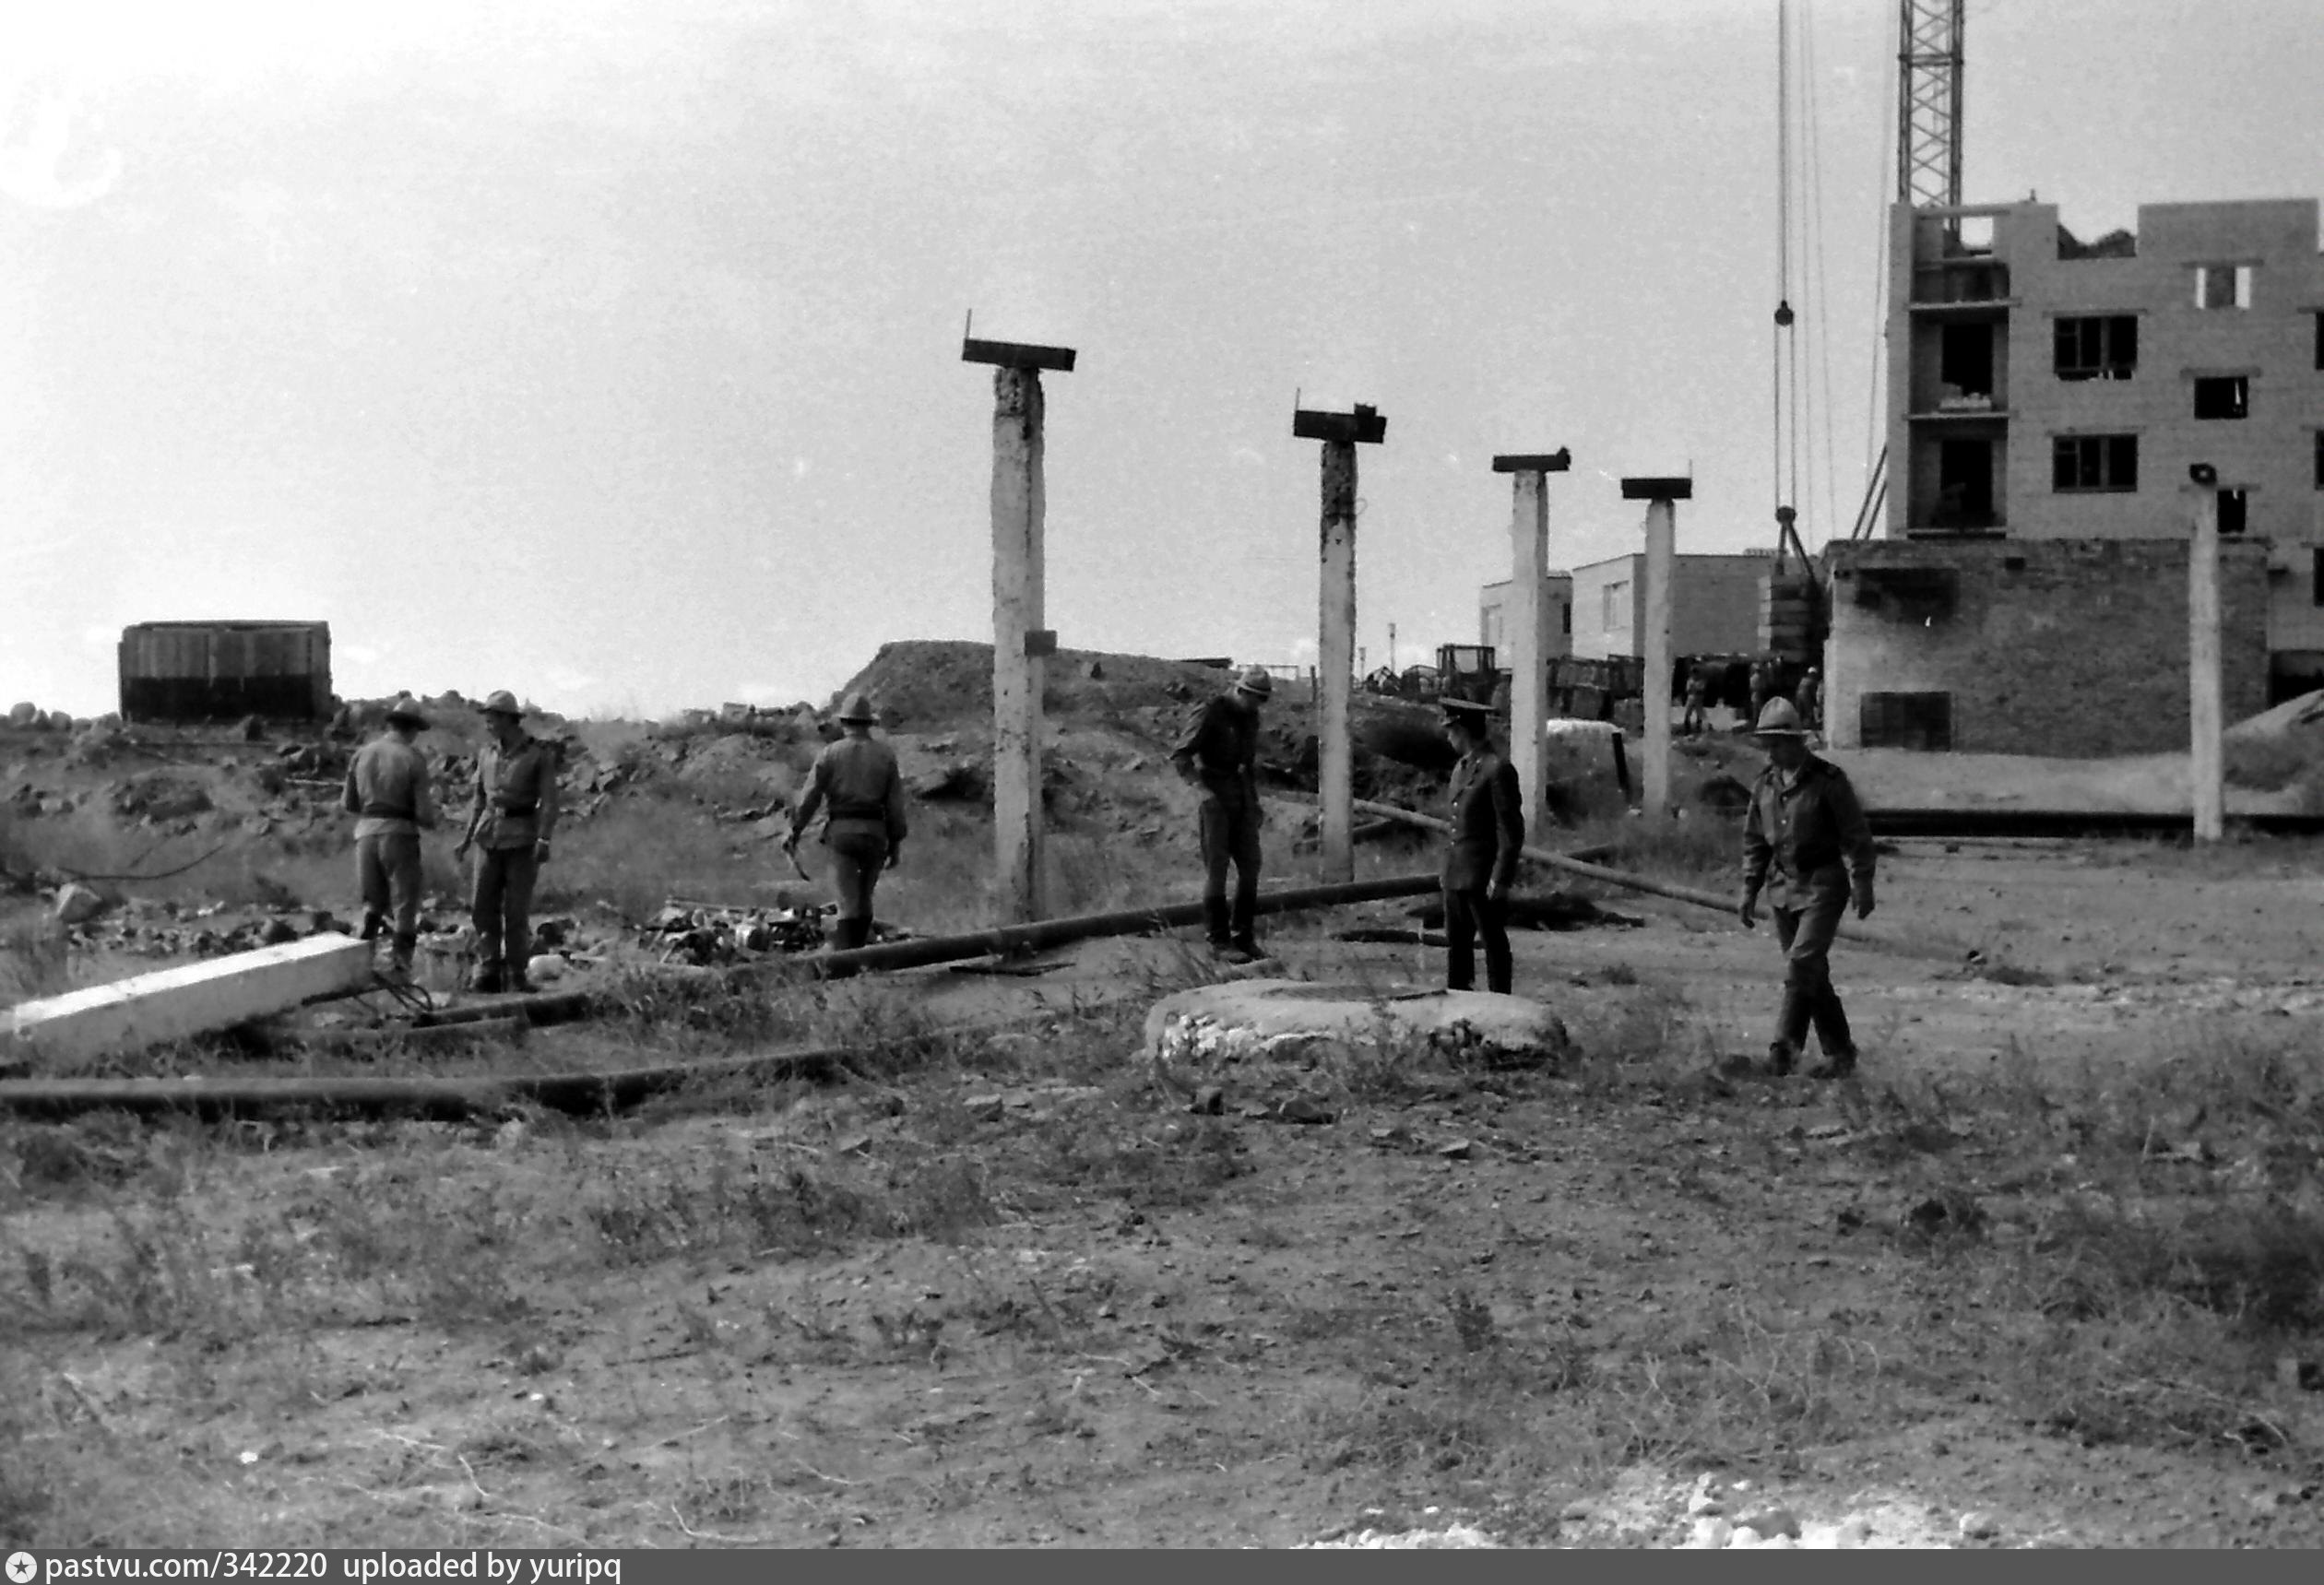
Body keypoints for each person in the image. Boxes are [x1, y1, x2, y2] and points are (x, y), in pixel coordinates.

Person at [1738, 697, 1876, 1078]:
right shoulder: (1764, 785)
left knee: (1801, 964)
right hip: (1782, 887)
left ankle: (1783, 1051)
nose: (1771, 752)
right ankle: (1841, 1053)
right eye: (1766, 744)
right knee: (1811, 973)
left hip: (1822, 885)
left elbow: (1856, 835)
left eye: (1777, 744)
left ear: (1796, 743)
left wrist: (1863, 882)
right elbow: (1755, 842)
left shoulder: (1828, 782)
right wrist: (1749, 889)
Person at [787, 692, 907, 956]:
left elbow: (810, 798)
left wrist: (795, 831)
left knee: (846, 904)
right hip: (875, 834)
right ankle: (861, 959)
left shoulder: (830, 754)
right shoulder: (885, 756)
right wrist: (896, 842)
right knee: (864, 901)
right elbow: (895, 806)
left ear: (843, 722)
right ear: (868, 723)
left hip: (842, 833)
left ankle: (843, 963)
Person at [456, 690, 560, 995]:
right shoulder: (486, 754)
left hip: (522, 838)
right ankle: (488, 968)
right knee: (482, 906)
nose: (487, 724)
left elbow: (550, 802)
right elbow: (478, 800)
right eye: (486, 718)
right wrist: (466, 839)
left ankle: (516, 972)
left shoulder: (537, 755)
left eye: (492, 718)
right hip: (488, 837)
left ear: (509, 720)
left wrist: (544, 838)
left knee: (516, 910)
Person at [1168, 665, 1273, 963]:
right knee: (1217, 868)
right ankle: (1218, 939)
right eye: (1251, 696)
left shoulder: (1250, 717)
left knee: (1251, 865)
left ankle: (1243, 936)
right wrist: (1202, 791)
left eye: (1261, 699)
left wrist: (1253, 802)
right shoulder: (1211, 711)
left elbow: (1247, 764)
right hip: (1214, 792)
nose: (1256, 703)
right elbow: (1181, 756)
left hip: (1240, 793)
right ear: (1238, 690)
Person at [340, 693, 437, 979]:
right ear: (413, 728)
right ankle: (400, 968)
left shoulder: (362, 754)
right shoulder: (412, 758)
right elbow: (423, 813)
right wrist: (433, 820)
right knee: (405, 904)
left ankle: (360, 967)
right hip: (399, 834)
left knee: (371, 905)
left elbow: (348, 804)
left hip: (366, 834)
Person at [1440, 696, 1524, 994]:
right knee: (1457, 946)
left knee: (1493, 943)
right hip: (1456, 873)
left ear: (1462, 730)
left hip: (1482, 876)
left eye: (1451, 731)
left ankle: (1500, 1001)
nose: (1448, 738)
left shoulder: (1496, 769)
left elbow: (1511, 831)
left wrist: (1500, 878)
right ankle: (1459, 999)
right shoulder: (1461, 768)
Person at [1681, 665, 1709, 738]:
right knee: (1687, 713)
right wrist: (1694, 688)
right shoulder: (1690, 680)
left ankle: (1698, 727)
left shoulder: (1701, 681)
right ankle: (1687, 729)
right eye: (1693, 673)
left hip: (1698, 698)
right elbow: (1688, 690)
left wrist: (1694, 688)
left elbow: (1701, 689)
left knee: (1699, 714)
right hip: (1691, 698)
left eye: (1696, 673)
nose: (1695, 675)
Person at [1796, 666, 1823, 733]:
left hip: (1798, 697)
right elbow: (1813, 694)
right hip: (1806, 698)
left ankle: (1799, 727)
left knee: (1800, 713)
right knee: (1809, 713)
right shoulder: (1812, 681)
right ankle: (1811, 727)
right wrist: (1816, 704)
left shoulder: (1803, 680)